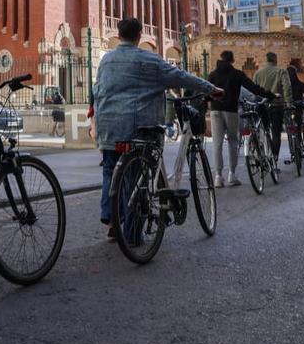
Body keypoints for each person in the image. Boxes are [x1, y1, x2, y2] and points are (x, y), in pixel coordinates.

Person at [92, 17, 223, 236]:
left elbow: (98, 90)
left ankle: (112, 219)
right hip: (138, 127)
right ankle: (132, 235)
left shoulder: (106, 60)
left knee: (110, 171)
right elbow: (180, 76)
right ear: (139, 36)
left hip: (108, 126)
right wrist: (210, 88)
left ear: (119, 35)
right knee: (137, 177)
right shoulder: (149, 59)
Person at [206, 50, 276, 187]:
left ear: (221, 59)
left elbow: (207, 91)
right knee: (233, 140)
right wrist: (270, 95)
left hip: (215, 110)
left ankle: (218, 176)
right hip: (231, 110)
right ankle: (232, 174)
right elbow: (253, 88)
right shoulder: (236, 74)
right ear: (232, 60)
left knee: (217, 143)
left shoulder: (212, 74)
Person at [253, 52, 293, 164]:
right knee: (276, 132)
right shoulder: (281, 71)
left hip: (262, 106)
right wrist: (289, 102)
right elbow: (287, 87)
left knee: (263, 130)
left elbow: (253, 90)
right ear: (275, 59)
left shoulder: (258, 73)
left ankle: (263, 154)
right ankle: (274, 156)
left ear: (266, 60)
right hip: (277, 106)